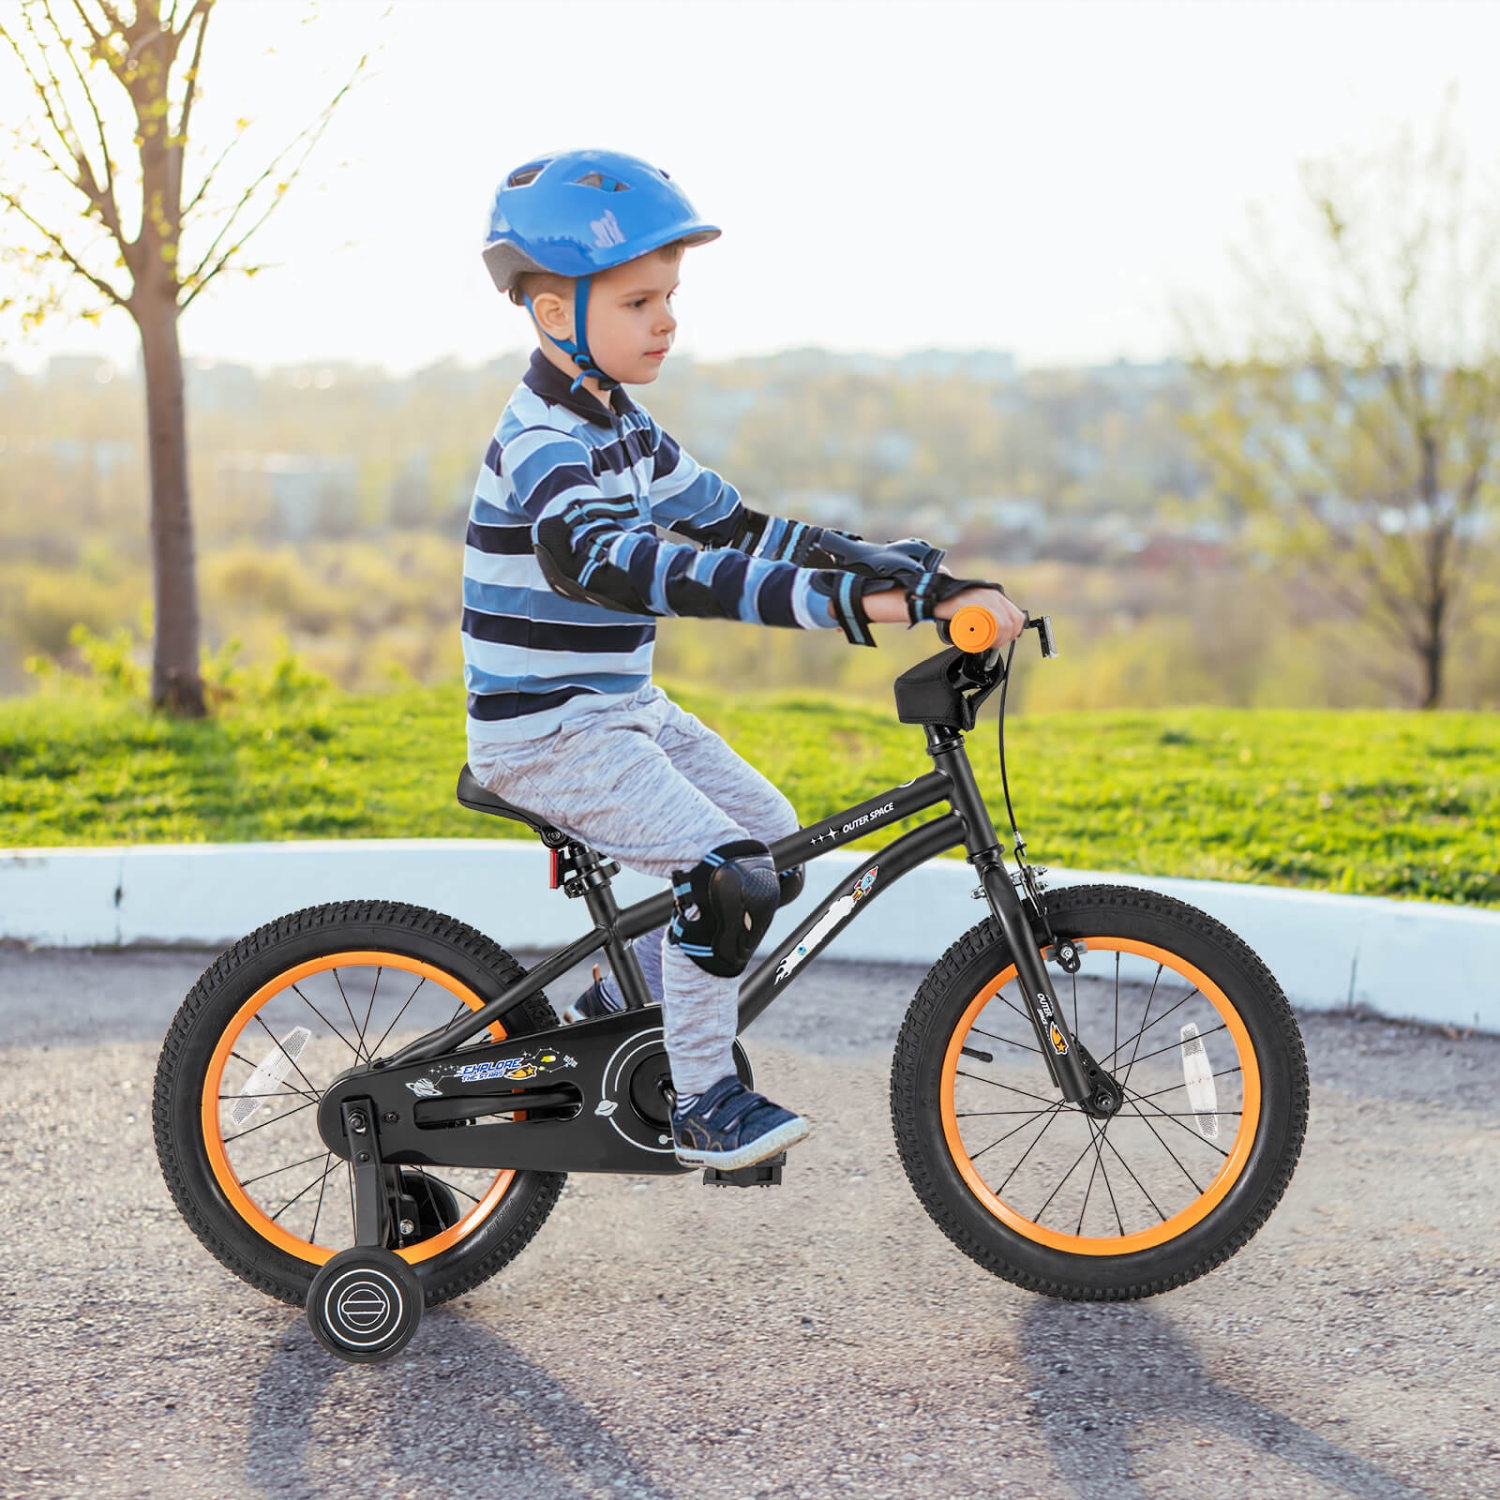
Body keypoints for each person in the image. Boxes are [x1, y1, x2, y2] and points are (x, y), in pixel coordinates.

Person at [463, 148, 1025, 1171]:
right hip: (545, 731)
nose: (667, 321)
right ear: (555, 317)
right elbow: (625, 566)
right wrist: (843, 606)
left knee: (768, 836)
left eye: (669, 297)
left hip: (615, 707)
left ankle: (609, 1010)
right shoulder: (544, 439)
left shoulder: (624, 430)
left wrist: (910, 577)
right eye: (639, 301)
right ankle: (700, 1098)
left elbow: (738, 529)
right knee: (726, 876)